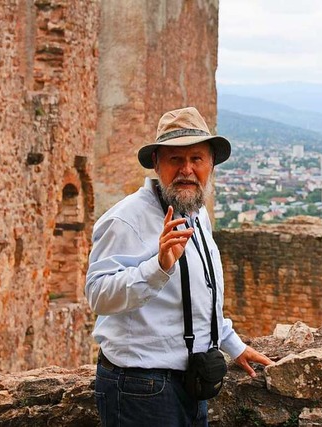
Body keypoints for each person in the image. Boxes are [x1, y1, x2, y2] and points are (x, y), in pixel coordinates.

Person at [86, 106, 273, 427]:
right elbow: (98, 296)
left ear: (210, 165)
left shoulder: (195, 212)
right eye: (176, 159)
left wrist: (232, 344)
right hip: (140, 388)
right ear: (157, 164)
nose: (187, 169)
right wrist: (157, 267)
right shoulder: (126, 220)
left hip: (191, 380)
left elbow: (202, 295)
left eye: (196, 159)